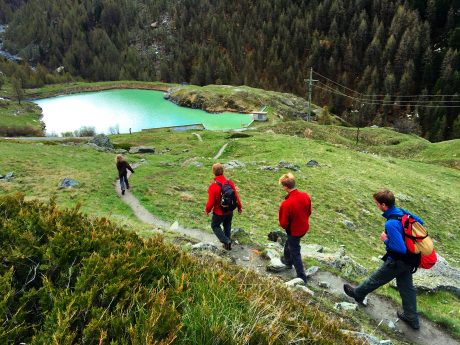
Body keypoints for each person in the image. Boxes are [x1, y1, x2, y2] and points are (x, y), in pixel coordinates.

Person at [343, 189, 422, 330]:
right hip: (411, 259)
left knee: (376, 278)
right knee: (406, 288)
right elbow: (421, 222)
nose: (376, 205)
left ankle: (358, 293)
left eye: (377, 203)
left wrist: (386, 240)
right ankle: (412, 317)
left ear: (384, 205)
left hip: (398, 260)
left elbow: (400, 248)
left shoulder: (391, 224)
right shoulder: (403, 212)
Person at [278, 173, 312, 284]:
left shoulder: (286, 204)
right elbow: (309, 212)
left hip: (294, 231)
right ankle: (287, 261)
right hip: (304, 227)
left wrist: (288, 226)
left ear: (285, 187)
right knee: (290, 243)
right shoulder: (305, 196)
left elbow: (283, 223)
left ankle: (302, 277)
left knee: (295, 252)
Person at [205, 163, 242, 250]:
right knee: (227, 225)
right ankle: (227, 245)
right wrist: (239, 207)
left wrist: (207, 210)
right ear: (223, 171)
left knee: (215, 226)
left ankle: (226, 241)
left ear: (213, 172)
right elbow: (236, 196)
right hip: (230, 210)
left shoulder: (213, 186)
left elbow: (211, 202)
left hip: (219, 212)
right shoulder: (229, 182)